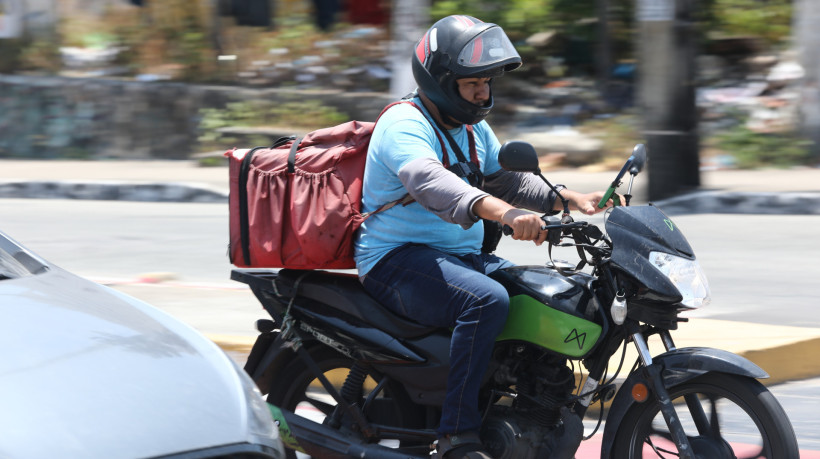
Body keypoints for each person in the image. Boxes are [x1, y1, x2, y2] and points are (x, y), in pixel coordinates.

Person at [353, 15, 610, 459]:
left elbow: (507, 181)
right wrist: (506, 214)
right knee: (486, 300)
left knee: (544, 296)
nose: (483, 92)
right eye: (472, 83)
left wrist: (571, 199)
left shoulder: (471, 129)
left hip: (456, 256)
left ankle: (528, 409)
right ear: (441, 81)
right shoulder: (404, 123)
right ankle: (456, 435)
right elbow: (432, 182)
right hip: (395, 259)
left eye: (487, 82)